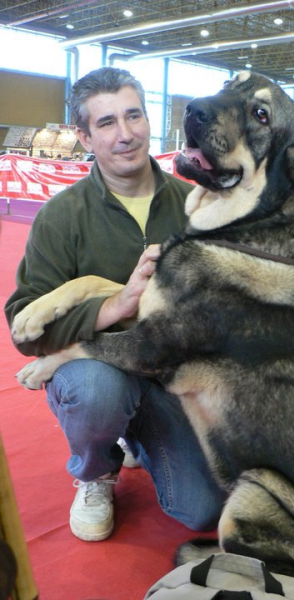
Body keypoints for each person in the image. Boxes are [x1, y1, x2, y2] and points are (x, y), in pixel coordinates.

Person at [5, 67, 225, 542]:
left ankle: (135, 437)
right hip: (101, 375)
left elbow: (208, 317)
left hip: (175, 378)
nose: (125, 135)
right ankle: (95, 472)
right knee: (97, 391)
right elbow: (25, 331)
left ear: (150, 121)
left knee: (205, 510)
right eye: (106, 123)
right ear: (84, 137)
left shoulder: (197, 205)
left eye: (134, 116)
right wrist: (112, 303)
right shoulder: (61, 216)